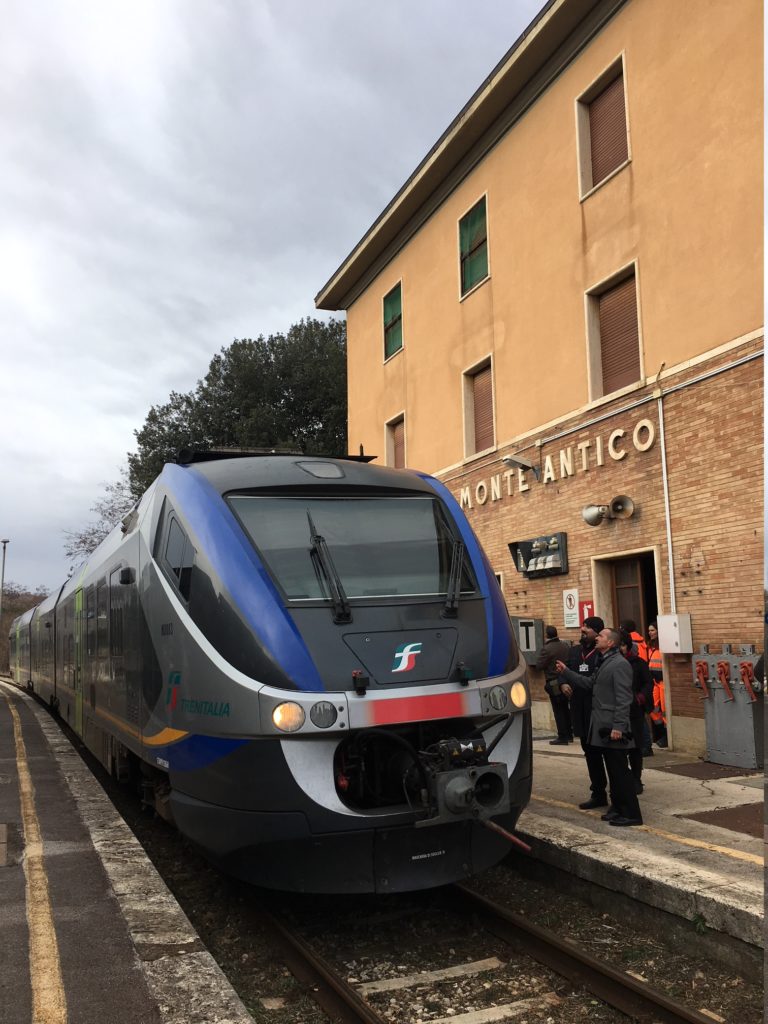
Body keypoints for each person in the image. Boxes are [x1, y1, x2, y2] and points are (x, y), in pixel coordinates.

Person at [560, 627, 643, 827]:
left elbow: (624, 699)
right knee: (614, 772)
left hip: (613, 727)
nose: (597, 638)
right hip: (602, 725)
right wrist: (566, 672)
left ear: (611, 643)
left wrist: (619, 727)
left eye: (601, 636)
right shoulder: (605, 661)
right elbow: (589, 684)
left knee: (620, 772)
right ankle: (618, 809)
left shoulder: (619, 665)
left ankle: (632, 814)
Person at [554, 616, 606, 808]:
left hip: (596, 709)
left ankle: (620, 790)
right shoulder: (574, 651)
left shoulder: (601, 654)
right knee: (589, 752)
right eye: (582, 628)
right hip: (579, 709)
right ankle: (598, 793)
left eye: (587, 628)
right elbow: (561, 671)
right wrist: (563, 683)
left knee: (602, 752)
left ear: (597, 633)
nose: (582, 631)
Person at [619, 629, 653, 793]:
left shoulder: (639, 663)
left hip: (634, 712)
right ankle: (623, 779)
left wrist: (639, 698)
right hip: (616, 711)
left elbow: (648, 684)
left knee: (635, 748)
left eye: (622, 645)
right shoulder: (609, 663)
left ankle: (636, 779)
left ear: (626, 646)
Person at [535, 625, 572, 744]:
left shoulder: (547, 649)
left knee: (558, 709)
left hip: (554, 682)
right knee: (565, 708)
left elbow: (539, 665)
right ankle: (570, 735)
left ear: (546, 635)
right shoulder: (565, 646)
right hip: (566, 679)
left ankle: (562, 736)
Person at [646, 622, 668, 748]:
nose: (650, 632)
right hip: (655, 683)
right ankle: (661, 733)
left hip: (663, 683)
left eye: (652, 630)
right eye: (649, 630)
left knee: (665, 711)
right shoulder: (651, 646)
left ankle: (666, 737)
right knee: (653, 709)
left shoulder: (663, 646)